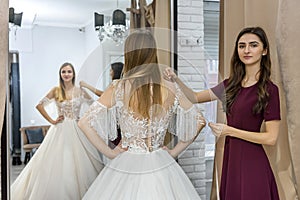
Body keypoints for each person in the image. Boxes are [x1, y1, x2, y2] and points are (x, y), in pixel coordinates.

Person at [78, 30, 206, 199]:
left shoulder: (119, 87)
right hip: (162, 163)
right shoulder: (170, 87)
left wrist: (110, 153)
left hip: (128, 162)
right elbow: (199, 121)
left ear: (129, 55)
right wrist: (174, 152)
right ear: (153, 54)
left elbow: (84, 123)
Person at [164, 26, 281, 199]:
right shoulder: (229, 85)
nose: (246, 50)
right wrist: (176, 80)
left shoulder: (270, 90)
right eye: (242, 46)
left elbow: (271, 138)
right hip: (231, 157)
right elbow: (195, 97)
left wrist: (229, 131)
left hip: (253, 161)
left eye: (253, 45)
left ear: (264, 51)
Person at [11, 62, 104, 200]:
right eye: (63, 72)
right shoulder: (56, 90)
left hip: (78, 130)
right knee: (56, 162)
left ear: (73, 74)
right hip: (60, 130)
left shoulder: (80, 91)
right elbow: (39, 105)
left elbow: (98, 103)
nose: (66, 74)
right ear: (60, 74)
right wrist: (52, 121)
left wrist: (84, 116)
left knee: (80, 163)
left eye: (69, 72)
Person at [80, 62, 124, 146]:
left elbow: (102, 94)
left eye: (111, 70)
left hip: (116, 119)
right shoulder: (122, 84)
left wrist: (87, 86)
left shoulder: (115, 84)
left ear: (115, 71)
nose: (110, 72)